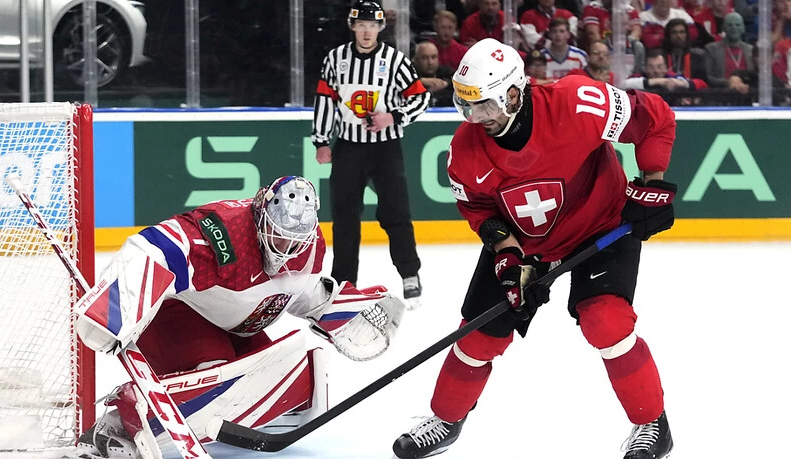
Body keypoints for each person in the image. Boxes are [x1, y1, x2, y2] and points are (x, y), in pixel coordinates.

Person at [392, 37, 677, 459]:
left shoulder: (579, 101)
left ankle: (653, 424)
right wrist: (508, 257)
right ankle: (447, 418)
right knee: (477, 336)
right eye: (465, 105)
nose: (475, 117)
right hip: (527, 241)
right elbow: (478, 207)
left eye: (483, 105)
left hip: (601, 225)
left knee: (606, 322)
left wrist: (651, 185)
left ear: (512, 92)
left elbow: (654, 118)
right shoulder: (464, 151)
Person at [69, 176, 407, 459]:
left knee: (267, 369)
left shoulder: (311, 245)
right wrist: (114, 310)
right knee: (216, 370)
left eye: (294, 241)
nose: (285, 248)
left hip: (237, 324)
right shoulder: (224, 234)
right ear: (260, 217)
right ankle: (116, 423)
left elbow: (298, 291)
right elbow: (154, 249)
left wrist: (339, 309)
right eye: (278, 235)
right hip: (177, 313)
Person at [312, 0, 430, 306]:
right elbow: (325, 100)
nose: (366, 32)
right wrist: (322, 141)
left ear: (381, 28)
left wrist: (393, 116)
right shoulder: (336, 59)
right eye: (361, 25)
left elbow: (420, 97)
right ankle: (343, 281)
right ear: (352, 27)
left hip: (385, 148)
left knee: (396, 213)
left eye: (372, 26)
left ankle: (409, 273)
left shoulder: (394, 60)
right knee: (345, 217)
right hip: (348, 147)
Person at [704, 12, 756, 95]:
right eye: (730, 25)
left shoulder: (751, 50)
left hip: (747, 95)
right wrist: (729, 83)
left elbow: (756, 76)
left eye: (738, 25)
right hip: (720, 96)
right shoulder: (711, 49)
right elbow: (708, 78)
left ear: (743, 28)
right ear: (723, 28)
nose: (734, 28)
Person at [413, 41, 456, 107]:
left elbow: (460, 80)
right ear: (416, 60)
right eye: (424, 58)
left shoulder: (445, 71)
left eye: (433, 57)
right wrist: (421, 81)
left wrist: (446, 83)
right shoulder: (409, 72)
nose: (430, 62)